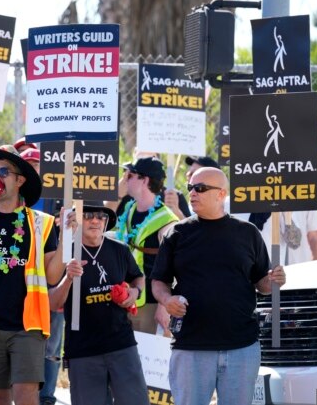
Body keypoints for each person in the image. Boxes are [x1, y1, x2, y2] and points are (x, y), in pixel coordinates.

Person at [151, 167, 286, 405]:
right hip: (191, 345)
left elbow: (262, 284)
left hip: (241, 347)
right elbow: (159, 281)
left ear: (221, 194)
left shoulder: (248, 233)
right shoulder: (178, 233)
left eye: (200, 188)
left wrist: (273, 280)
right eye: (190, 187)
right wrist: (167, 300)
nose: (192, 193)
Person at [0, 147, 74, 405]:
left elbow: (52, 277)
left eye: (3, 172)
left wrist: (65, 240)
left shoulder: (42, 222)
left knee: (26, 395)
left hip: (27, 325)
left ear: (19, 180)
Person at [49, 205, 149, 405]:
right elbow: (52, 302)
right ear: (77, 221)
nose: (95, 221)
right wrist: (68, 278)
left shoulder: (119, 249)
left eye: (100, 217)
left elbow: (138, 277)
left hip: (121, 345)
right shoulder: (66, 254)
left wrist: (134, 292)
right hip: (83, 350)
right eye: (87, 216)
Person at [113, 157, 178, 334]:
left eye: (130, 175)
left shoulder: (167, 219)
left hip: (149, 304)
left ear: (145, 180)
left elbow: (175, 265)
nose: (126, 179)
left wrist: (164, 305)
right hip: (124, 296)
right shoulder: (129, 208)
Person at [19, 147, 62, 405]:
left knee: (52, 344)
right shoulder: (11, 199)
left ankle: (46, 397)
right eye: (29, 166)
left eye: (38, 165)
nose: (34, 170)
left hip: (49, 282)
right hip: (19, 286)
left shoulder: (57, 198)